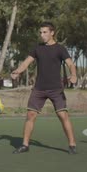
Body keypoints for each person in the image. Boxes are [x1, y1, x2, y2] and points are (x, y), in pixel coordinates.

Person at [10, 22, 78, 155]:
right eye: (40, 32)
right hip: (39, 88)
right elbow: (26, 62)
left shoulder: (60, 49)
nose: (42, 35)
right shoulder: (37, 48)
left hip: (56, 89)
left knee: (62, 115)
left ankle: (72, 144)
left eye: (45, 32)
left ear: (52, 33)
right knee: (30, 115)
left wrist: (74, 75)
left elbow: (70, 63)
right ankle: (25, 145)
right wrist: (17, 71)